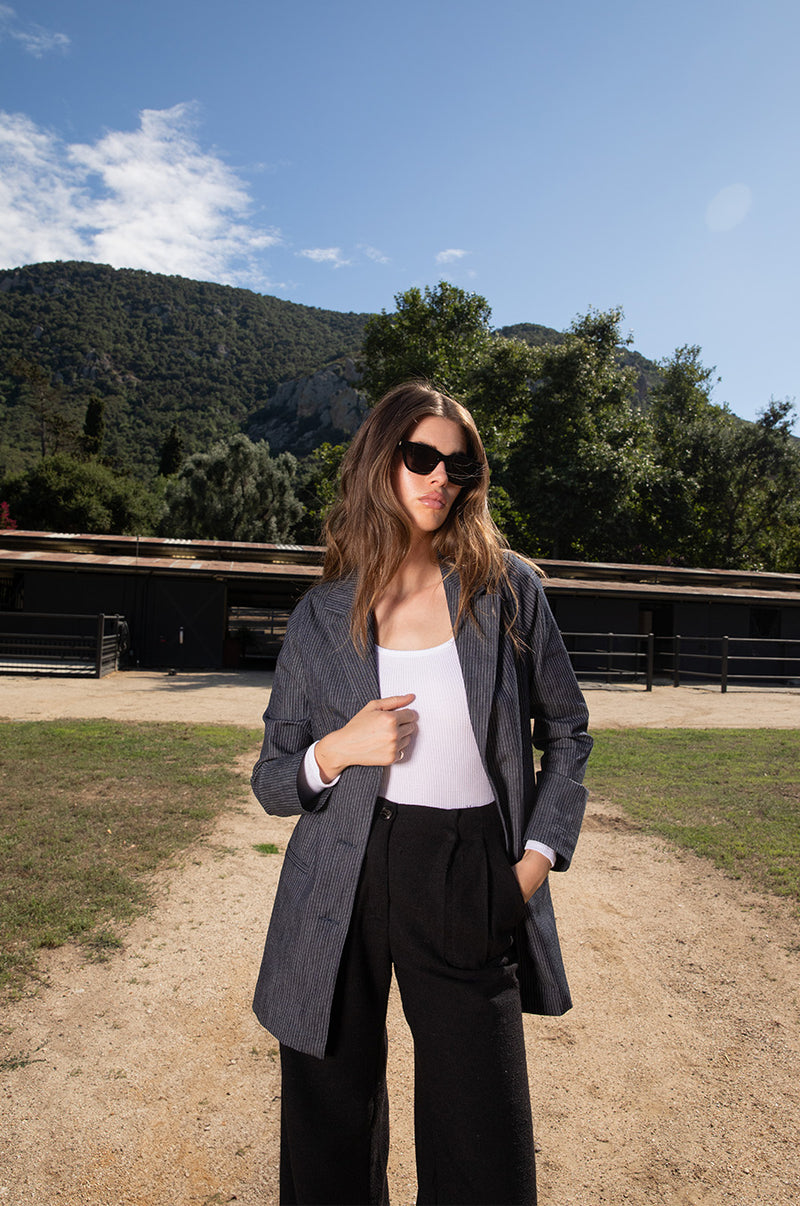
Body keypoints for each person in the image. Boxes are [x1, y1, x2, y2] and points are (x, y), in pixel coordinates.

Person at [251, 381, 592, 1206]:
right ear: (383, 462)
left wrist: (531, 866)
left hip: (468, 867)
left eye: (460, 464)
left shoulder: (507, 590)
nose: (442, 477)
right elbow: (273, 777)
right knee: (329, 1123)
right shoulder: (323, 613)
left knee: (484, 1136)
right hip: (342, 871)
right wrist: (336, 751)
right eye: (422, 458)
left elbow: (569, 733)